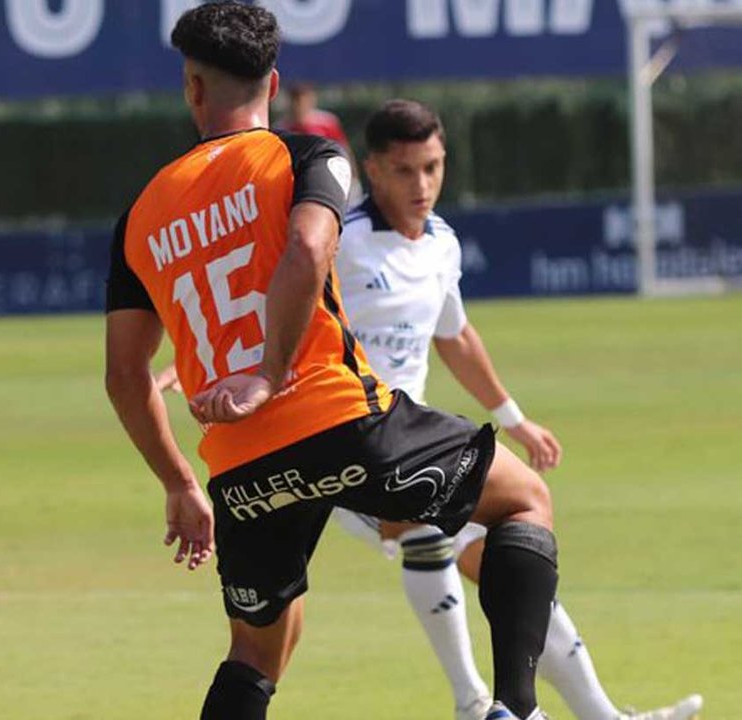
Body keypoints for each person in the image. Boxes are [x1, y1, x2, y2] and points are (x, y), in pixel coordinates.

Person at [105, 4, 558, 719]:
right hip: (341, 423)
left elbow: (124, 374)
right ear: (274, 82)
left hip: (239, 467)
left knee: (256, 650)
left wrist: (178, 483)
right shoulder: (306, 157)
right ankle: (515, 709)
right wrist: (268, 370)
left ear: (192, 86)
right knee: (524, 497)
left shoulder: (140, 212)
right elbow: (310, 248)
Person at [329, 99, 704, 720]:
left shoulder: (441, 243)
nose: (421, 185)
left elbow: (454, 335)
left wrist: (513, 417)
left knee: (515, 564)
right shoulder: (341, 241)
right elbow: (273, 306)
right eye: (404, 170)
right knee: (424, 531)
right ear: (373, 170)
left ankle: (601, 717)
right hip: (346, 442)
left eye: (432, 167)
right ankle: (475, 704)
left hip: (413, 438)